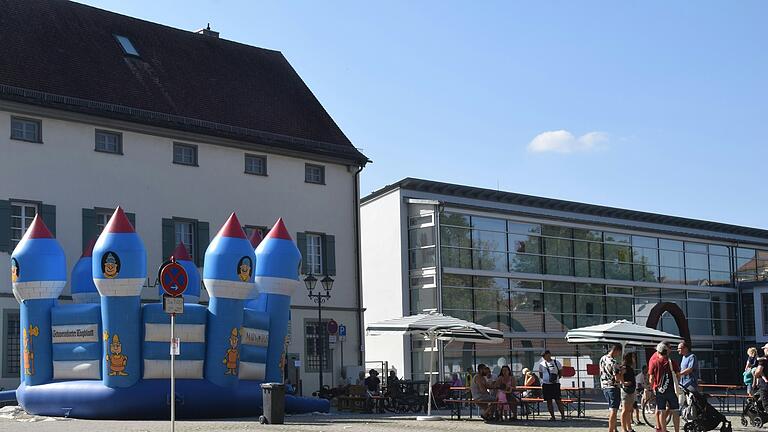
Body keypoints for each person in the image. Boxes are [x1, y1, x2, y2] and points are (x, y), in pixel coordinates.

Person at [648, 342, 680, 432]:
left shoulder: (654, 362)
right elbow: (678, 374)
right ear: (666, 351)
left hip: (660, 390)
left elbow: (651, 378)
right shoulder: (671, 362)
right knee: (675, 411)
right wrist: (676, 382)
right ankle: (677, 430)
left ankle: (663, 430)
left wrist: (652, 388)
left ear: (659, 351)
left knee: (661, 411)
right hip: (671, 390)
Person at [600, 344, 623, 432]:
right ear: (616, 350)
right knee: (614, 410)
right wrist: (621, 372)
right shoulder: (614, 362)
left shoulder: (603, 358)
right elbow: (617, 378)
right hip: (613, 387)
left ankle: (614, 428)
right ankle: (610, 430)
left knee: (611, 408)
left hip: (605, 385)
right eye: (619, 352)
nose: (619, 355)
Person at [537, 350, 565, 421]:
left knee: (558, 400)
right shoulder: (541, 364)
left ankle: (563, 416)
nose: (546, 357)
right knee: (548, 401)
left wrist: (556, 378)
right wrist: (545, 379)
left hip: (555, 384)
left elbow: (561, 372)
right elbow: (541, 374)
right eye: (544, 356)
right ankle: (552, 416)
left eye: (547, 355)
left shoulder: (556, 362)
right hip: (546, 385)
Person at [620, 352, 637, 432]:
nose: (634, 359)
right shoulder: (624, 367)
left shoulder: (630, 367)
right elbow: (620, 376)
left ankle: (629, 428)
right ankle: (624, 429)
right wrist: (623, 382)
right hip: (626, 390)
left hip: (631, 390)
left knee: (629, 410)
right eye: (633, 357)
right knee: (625, 410)